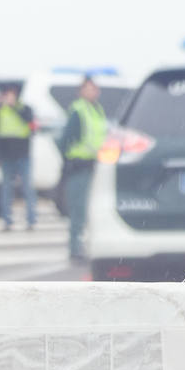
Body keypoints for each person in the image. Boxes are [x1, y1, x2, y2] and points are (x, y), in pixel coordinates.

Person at [58, 77, 107, 262]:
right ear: (81, 91)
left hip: (95, 165)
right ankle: (75, 247)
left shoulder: (97, 110)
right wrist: (68, 161)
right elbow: (65, 141)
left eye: (94, 89)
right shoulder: (79, 111)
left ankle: (84, 245)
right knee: (78, 209)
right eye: (88, 89)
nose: (92, 92)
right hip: (79, 166)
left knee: (89, 208)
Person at [0, 83, 36, 231]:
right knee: (6, 189)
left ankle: (31, 220)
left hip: (23, 154)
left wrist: (14, 108)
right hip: (6, 156)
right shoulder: (0, 110)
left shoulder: (25, 108)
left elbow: (30, 124)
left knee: (27, 188)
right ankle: (7, 220)